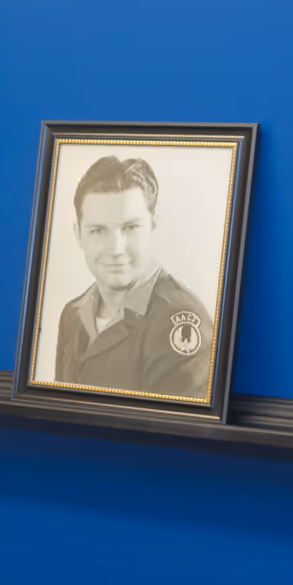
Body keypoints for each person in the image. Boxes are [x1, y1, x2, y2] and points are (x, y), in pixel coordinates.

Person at [52, 155, 212, 401]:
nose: (116, 248)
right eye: (98, 230)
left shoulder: (182, 322)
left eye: (130, 228)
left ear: (153, 224)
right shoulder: (72, 314)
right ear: (79, 235)